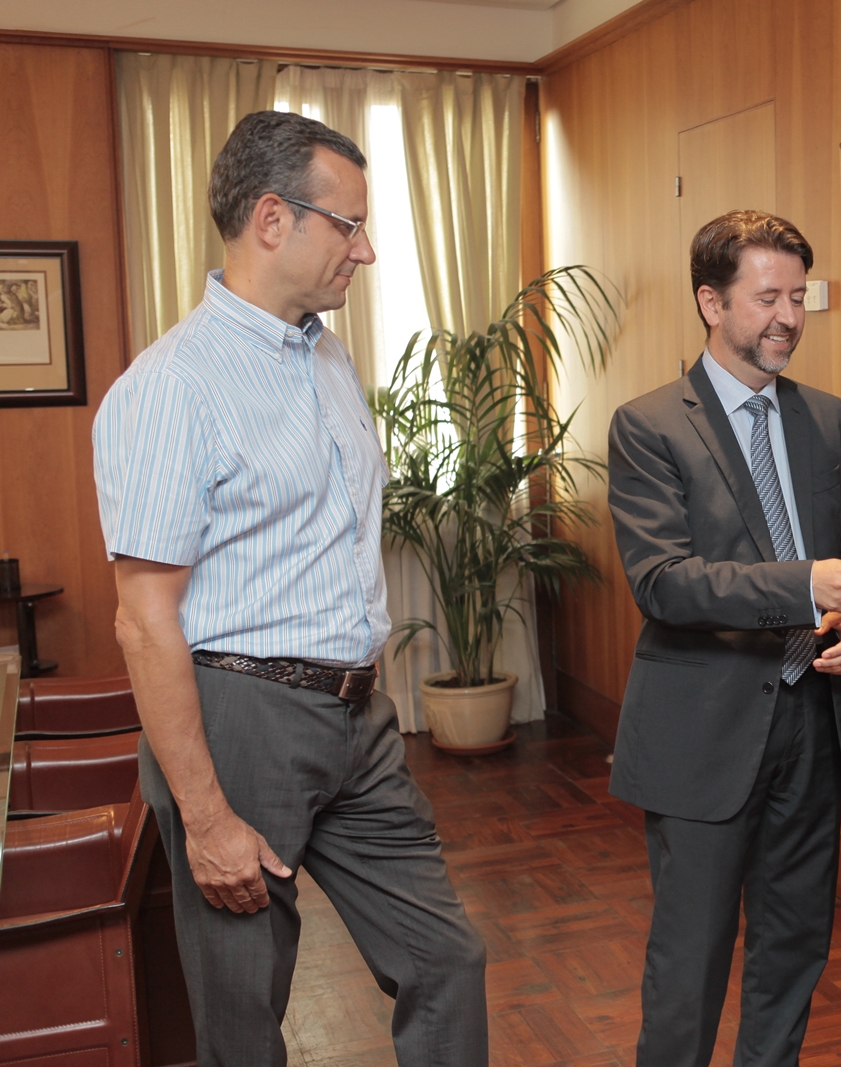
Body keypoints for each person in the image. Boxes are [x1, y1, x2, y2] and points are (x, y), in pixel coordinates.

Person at [93, 111, 487, 1067]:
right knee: (242, 1018)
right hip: (238, 717)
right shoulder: (169, 388)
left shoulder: (323, 353)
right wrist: (207, 814)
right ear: (273, 219)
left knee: (448, 958)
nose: (369, 249)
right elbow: (145, 621)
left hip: (358, 716)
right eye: (348, 225)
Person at [607, 209, 841, 1067]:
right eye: (767, 297)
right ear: (711, 301)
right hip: (702, 732)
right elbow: (664, 581)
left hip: (811, 728)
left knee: (794, 950)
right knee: (690, 963)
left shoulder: (828, 420)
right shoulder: (650, 424)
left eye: (798, 297)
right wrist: (808, 585)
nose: (788, 317)